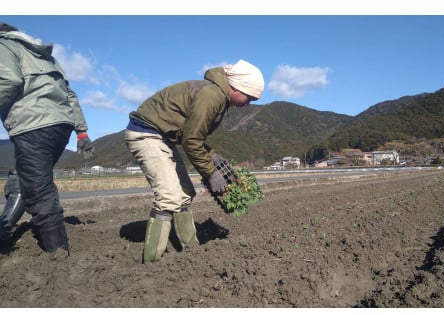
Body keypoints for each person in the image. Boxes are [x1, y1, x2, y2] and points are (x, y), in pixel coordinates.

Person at [125, 59, 264, 263]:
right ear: (237, 87)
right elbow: (191, 141)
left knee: (185, 193)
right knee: (169, 196)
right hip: (147, 133)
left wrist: (212, 156)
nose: (247, 104)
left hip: (164, 138)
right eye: (248, 98)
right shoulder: (212, 95)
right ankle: (152, 263)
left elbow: (191, 134)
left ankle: (192, 252)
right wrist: (210, 173)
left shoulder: (218, 96)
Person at [0, 22, 95, 254]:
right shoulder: (45, 57)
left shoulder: (3, 46)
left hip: (33, 125)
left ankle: (59, 257)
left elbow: (9, 80)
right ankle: (2, 231)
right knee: (23, 177)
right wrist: (81, 132)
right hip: (60, 126)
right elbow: (70, 95)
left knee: (39, 191)